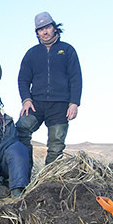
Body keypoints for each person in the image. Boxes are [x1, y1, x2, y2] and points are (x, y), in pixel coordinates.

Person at [17, 11, 82, 165]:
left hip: (60, 104)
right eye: (40, 29)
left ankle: (47, 182)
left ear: (54, 27)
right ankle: (25, 174)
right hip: (36, 103)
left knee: (56, 145)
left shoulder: (67, 50)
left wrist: (74, 103)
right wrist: (26, 99)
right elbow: (23, 79)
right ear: (37, 33)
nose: (44, 32)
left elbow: (76, 78)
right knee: (20, 129)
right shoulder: (32, 53)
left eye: (47, 27)